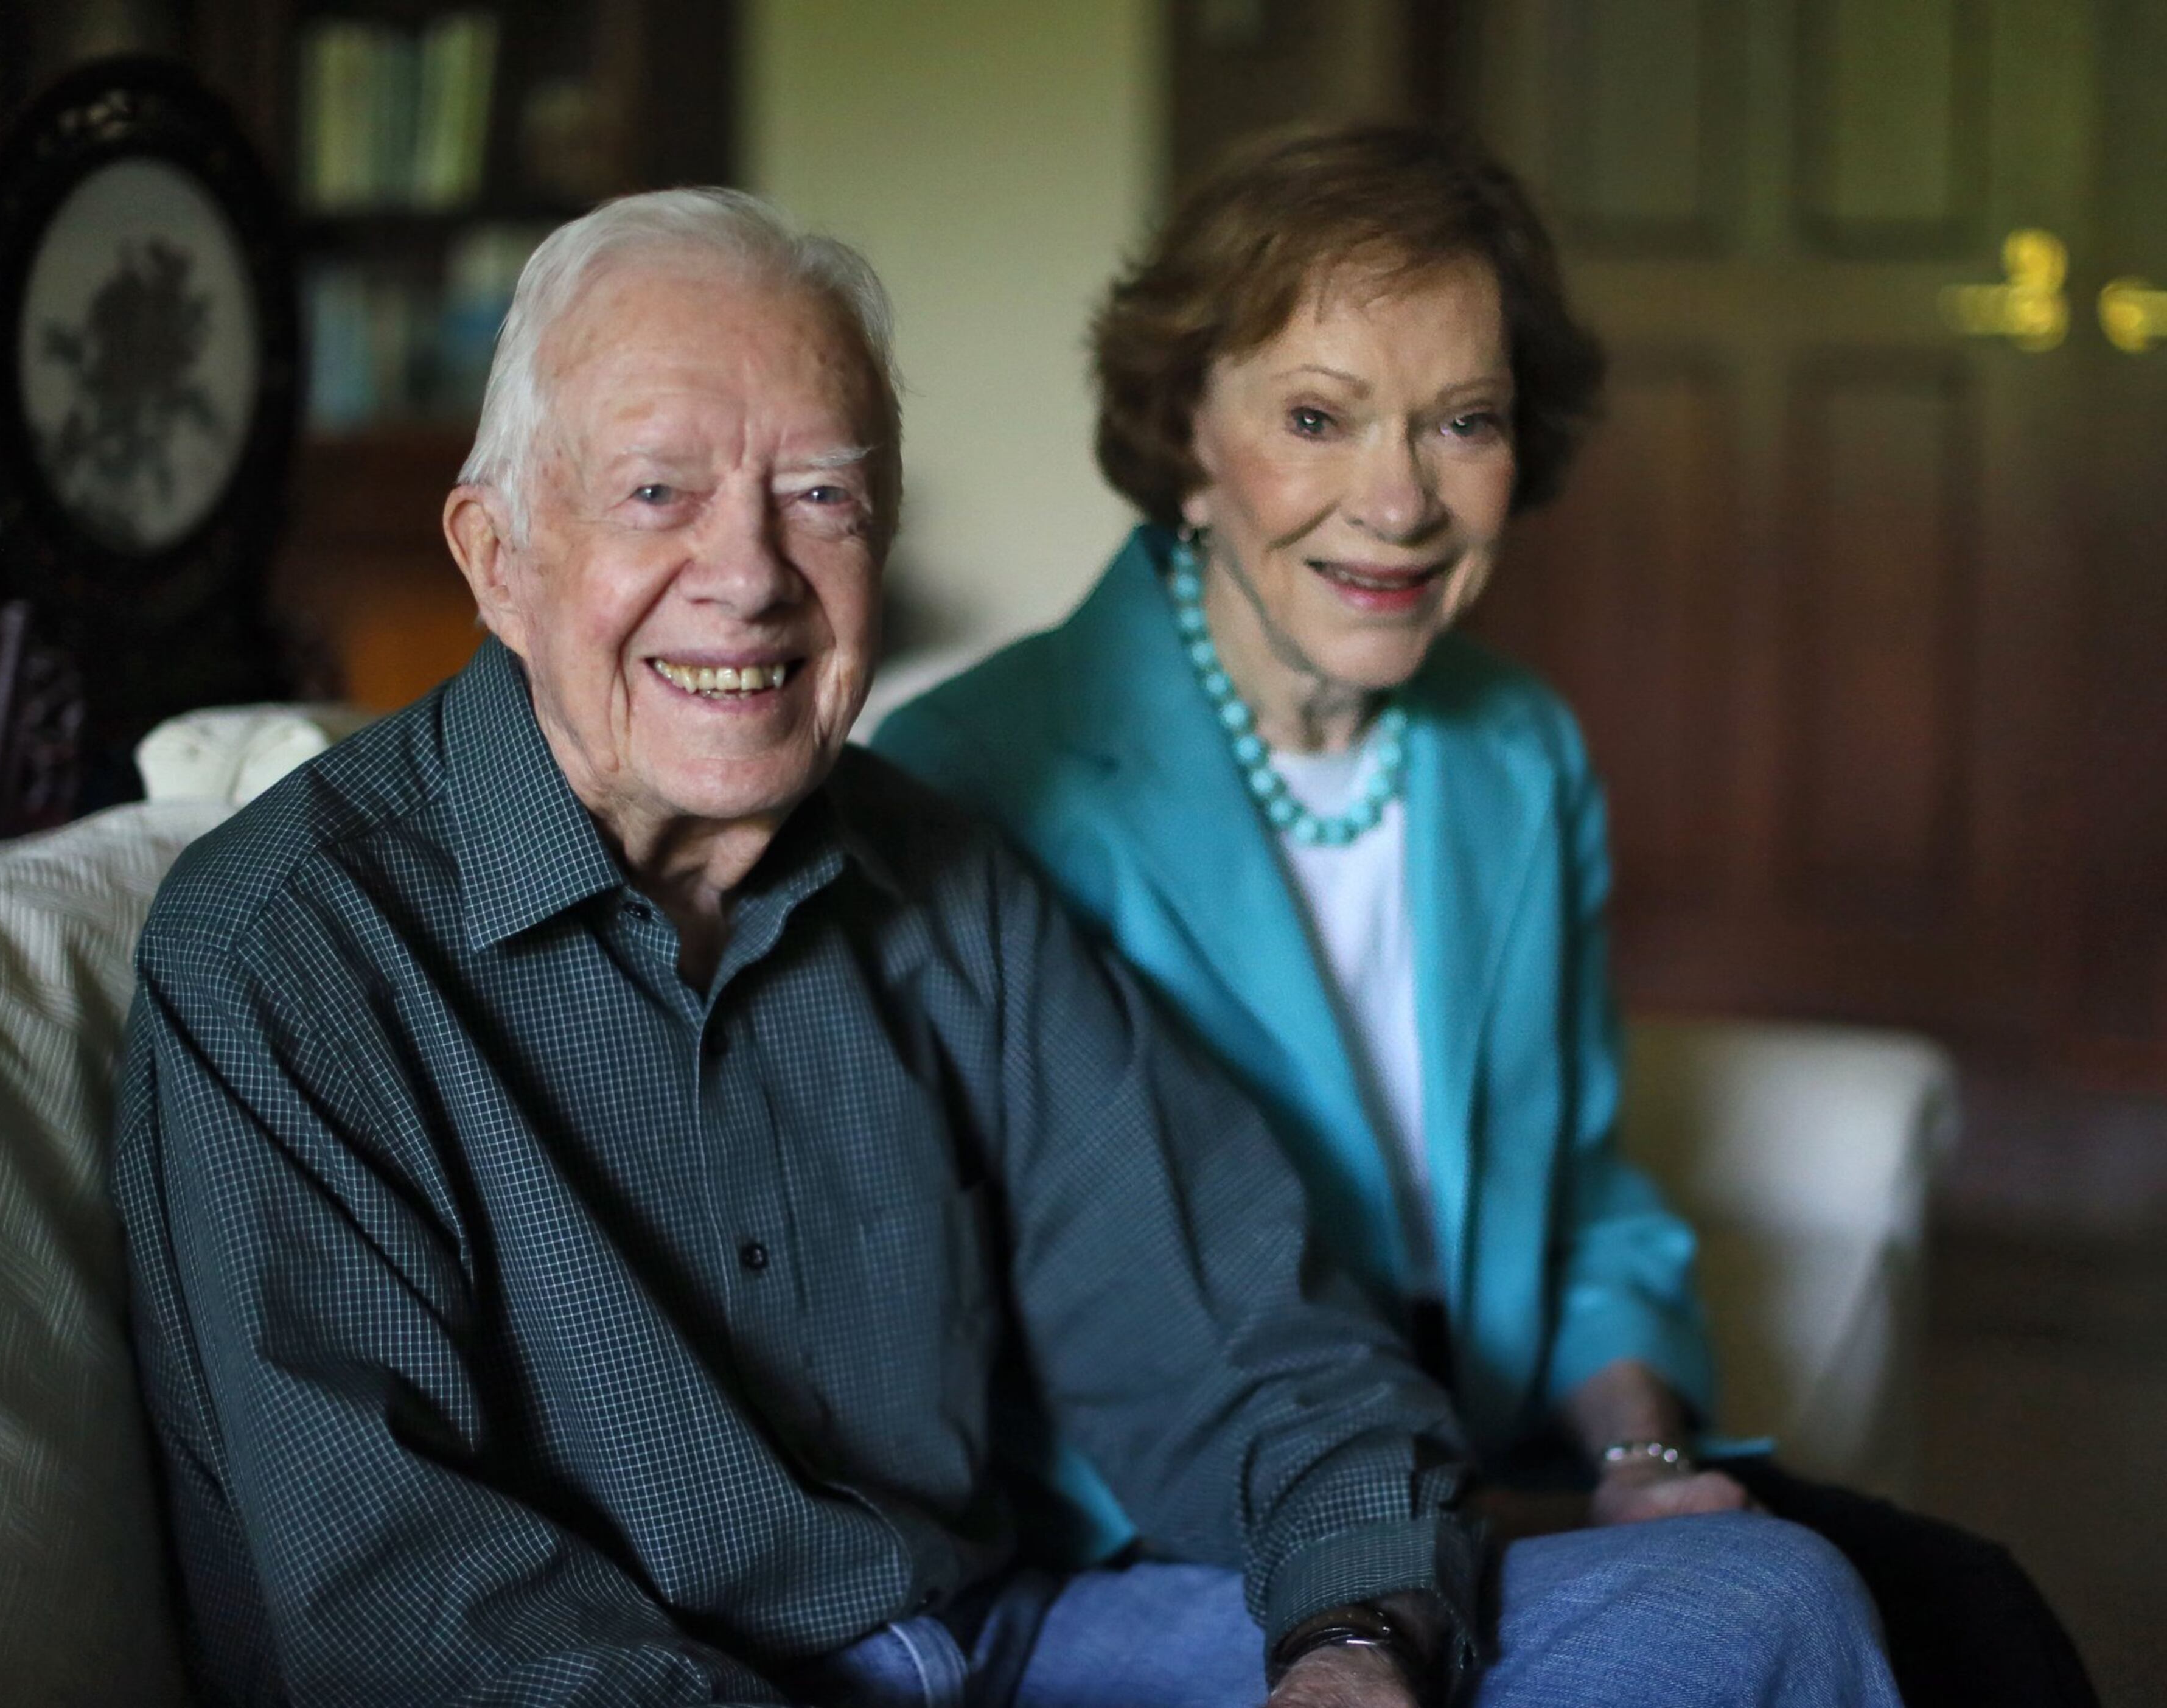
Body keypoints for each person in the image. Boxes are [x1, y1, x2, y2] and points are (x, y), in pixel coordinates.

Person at [111, 186, 1902, 1708]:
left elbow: (1255, 1342)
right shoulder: (291, 959)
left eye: (820, 496)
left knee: (1769, 1607)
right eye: (657, 494)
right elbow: (404, 1605)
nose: (748, 576)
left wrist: (1351, 1640)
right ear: (496, 556)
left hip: (1019, 1647)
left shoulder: (940, 884)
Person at [874, 125, 2096, 1708]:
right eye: (1319, 418)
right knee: (1842, 1621)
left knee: (1980, 1618)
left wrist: (1643, 1458)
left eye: (1463, 422)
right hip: (1199, 1532)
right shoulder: (976, 778)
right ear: (1185, 434)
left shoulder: (1513, 753)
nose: (1400, 500)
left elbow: (1579, 1195)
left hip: (1499, 1452)